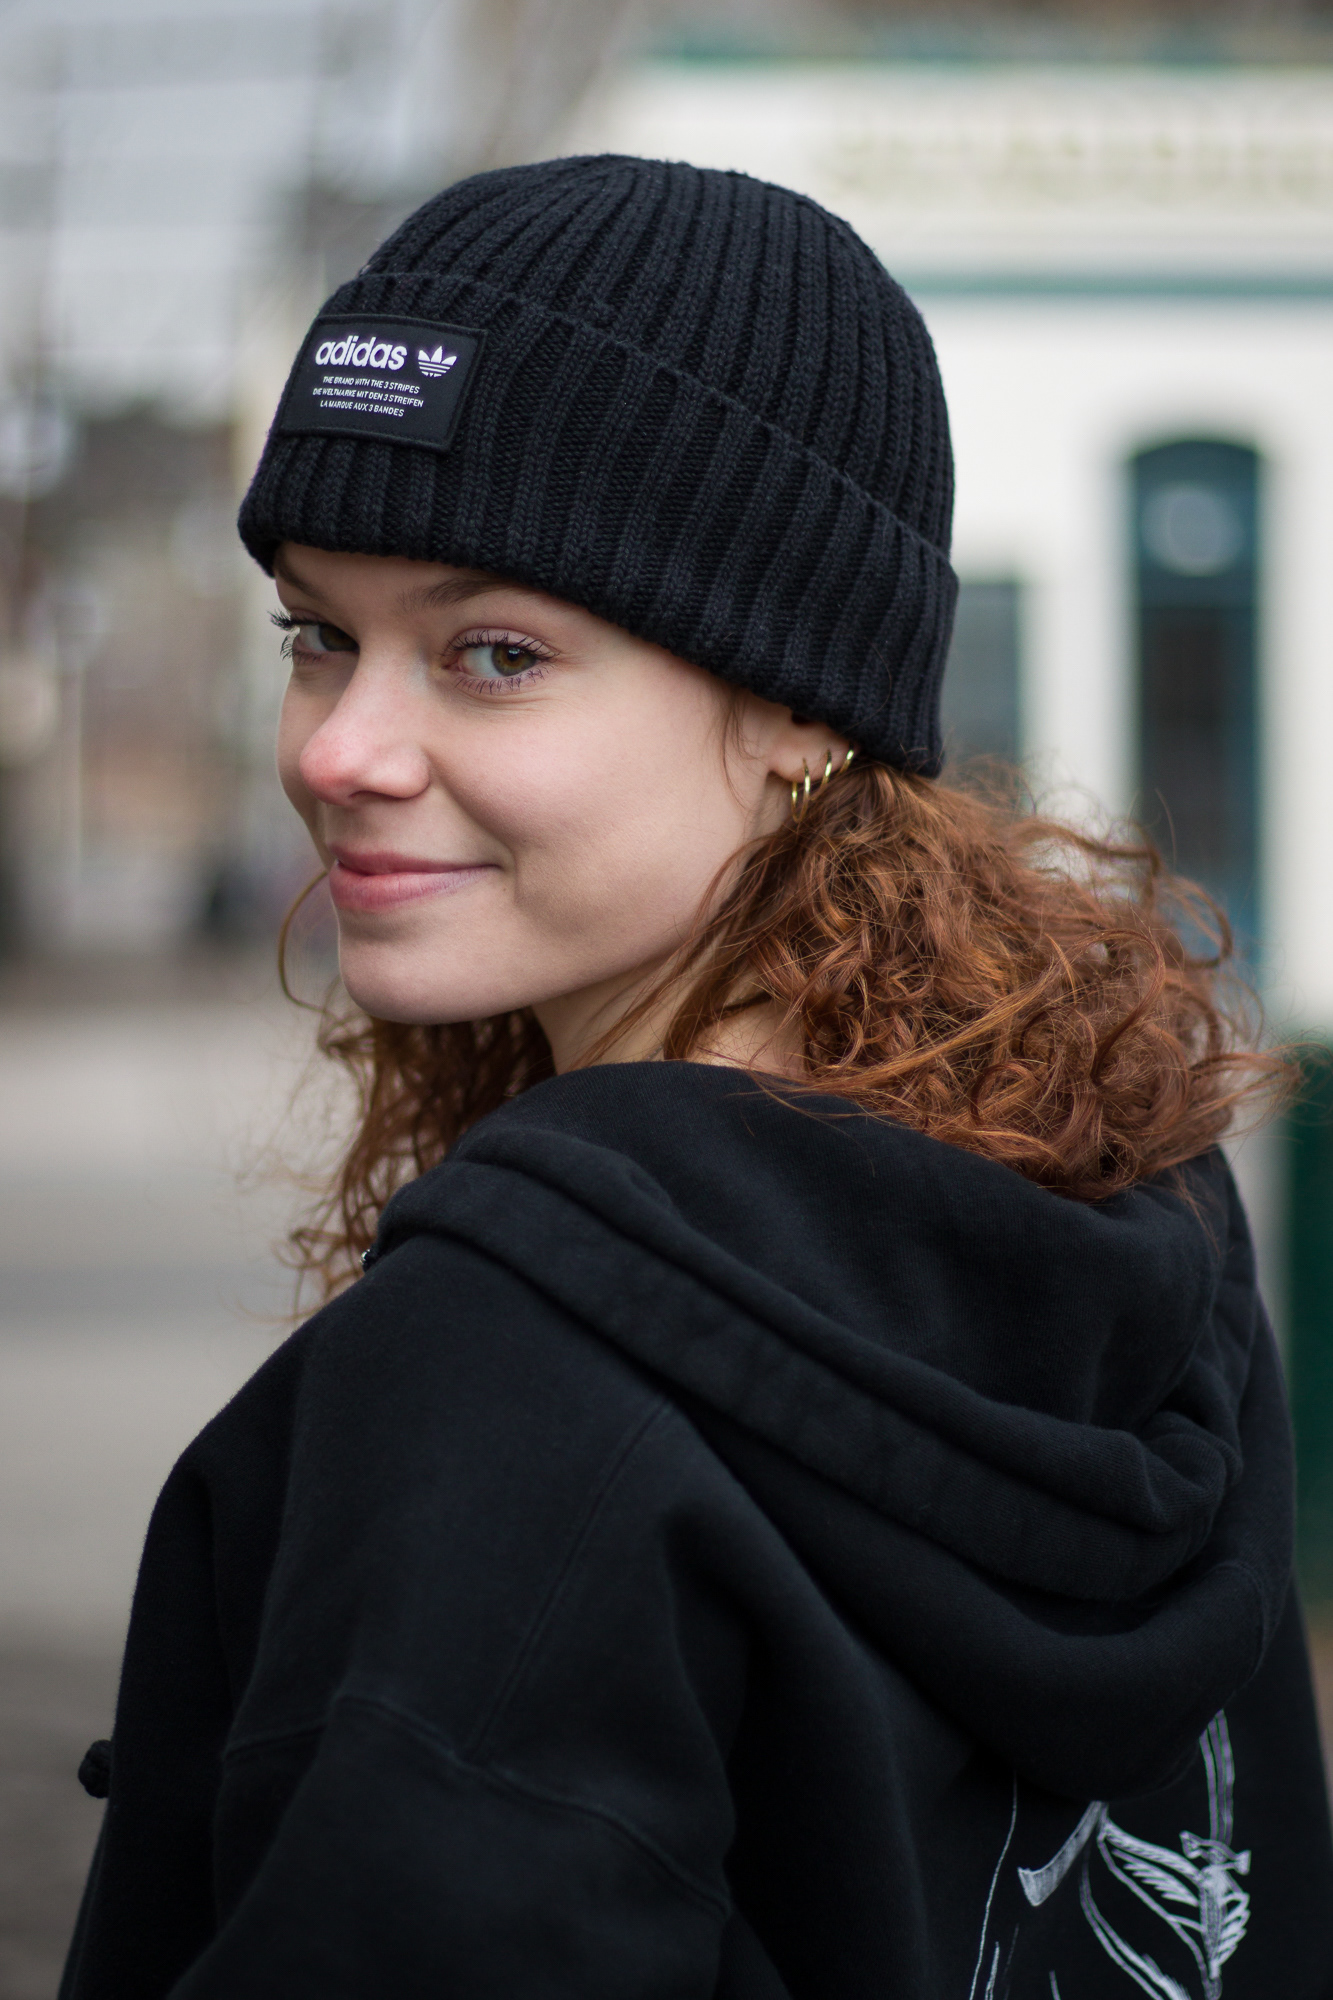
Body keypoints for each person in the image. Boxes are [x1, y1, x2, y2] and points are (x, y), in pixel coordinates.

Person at [61, 155, 1332, 2000]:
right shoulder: (1119, 1181)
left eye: (492, 655)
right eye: (317, 633)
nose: (340, 747)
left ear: (802, 706)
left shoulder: (500, 1382)